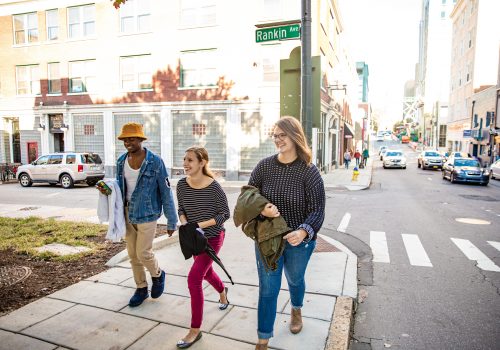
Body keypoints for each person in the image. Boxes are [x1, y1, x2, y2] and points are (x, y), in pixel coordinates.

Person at [248, 116, 325, 350]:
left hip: (298, 243)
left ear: (295, 136)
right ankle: (262, 339)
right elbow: (248, 196)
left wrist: (303, 231)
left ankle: (296, 309)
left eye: (282, 135)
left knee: (295, 280)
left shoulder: (309, 172)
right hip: (267, 240)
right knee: (268, 288)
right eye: (275, 135)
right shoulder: (264, 166)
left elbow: (318, 209)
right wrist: (262, 209)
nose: (278, 139)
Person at [111, 122, 177, 307]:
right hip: (126, 212)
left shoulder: (155, 162)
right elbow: (119, 187)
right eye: (125, 139)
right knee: (132, 255)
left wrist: (172, 221)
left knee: (143, 253)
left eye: (131, 139)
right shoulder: (120, 161)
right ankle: (141, 288)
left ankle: (158, 274)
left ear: (140, 139)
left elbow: (165, 191)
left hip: (148, 213)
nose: (127, 142)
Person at [176, 146, 230, 349]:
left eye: (190, 160)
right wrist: (184, 222)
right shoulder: (181, 185)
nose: (185, 163)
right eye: (184, 159)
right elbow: (181, 208)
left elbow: (224, 214)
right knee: (206, 274)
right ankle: (222, 290)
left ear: (202, 163)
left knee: (194, 278)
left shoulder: (214, 187)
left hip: (213, 238)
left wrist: (199, 225)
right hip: (193, 238)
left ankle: (195, 330)